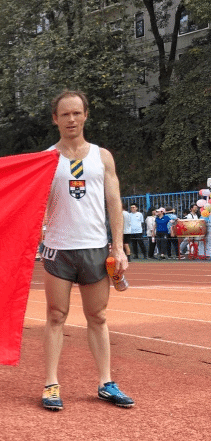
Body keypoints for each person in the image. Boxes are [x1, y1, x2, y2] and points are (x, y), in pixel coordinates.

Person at [40, 90, 134, 411]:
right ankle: (51, 384)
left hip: (94, 248)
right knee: (56, 316)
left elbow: (114, 202)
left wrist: (118, 247)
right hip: (58, 249)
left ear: (86, 115)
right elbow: (33, 202)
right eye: (65, 114)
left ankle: (106, 383)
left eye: (76, 113)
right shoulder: (45, 159)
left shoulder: (102, 157)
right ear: (55, 119)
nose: (71, 119)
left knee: (98, 316)